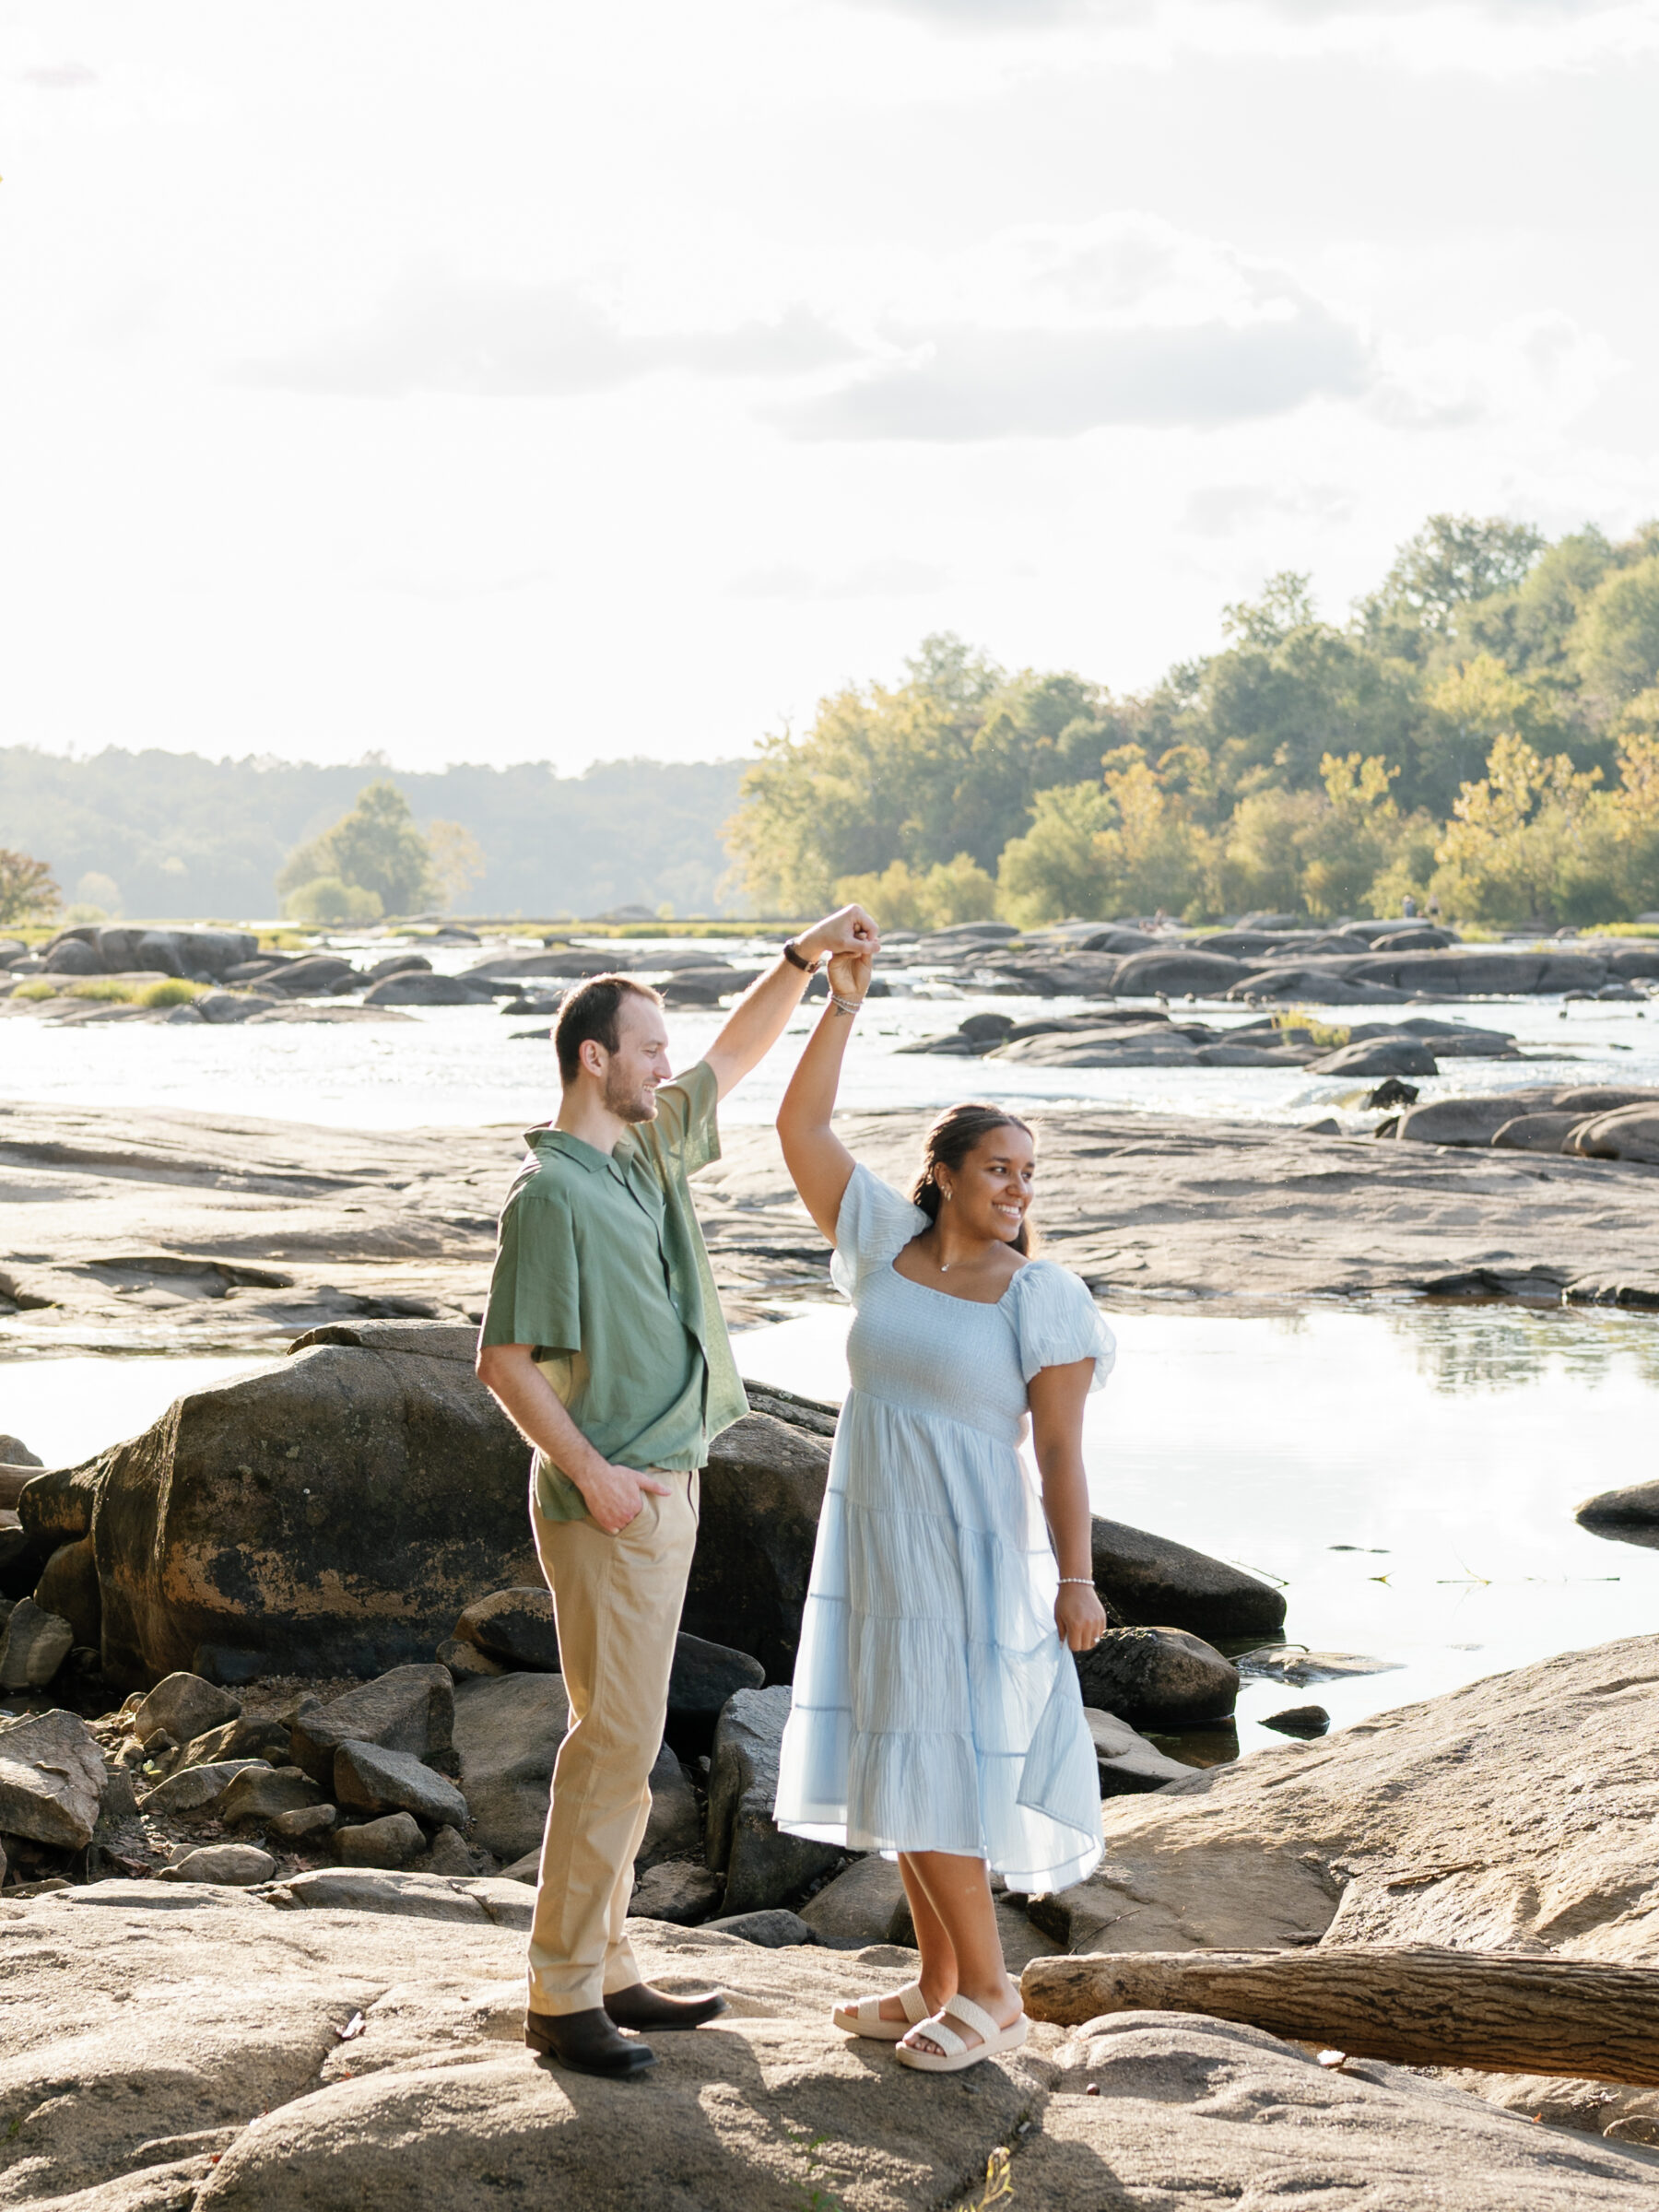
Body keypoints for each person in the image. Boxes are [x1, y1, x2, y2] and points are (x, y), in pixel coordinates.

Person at [476, 906, 877, 2081]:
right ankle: (560, 1995)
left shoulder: (643, 1153)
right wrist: (594, 1478)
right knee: (614, 1746)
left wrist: (807, 964)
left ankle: (605, 1968)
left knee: (628, 1736)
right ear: (595, 1059)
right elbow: (504, 1366)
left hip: (665, 1492)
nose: (668, 1063)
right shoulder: (549, 1197)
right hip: (616, 1506)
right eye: (648, 1048)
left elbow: (739, 1060)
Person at [772, 941, 1113, 2075]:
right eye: (1000, 1169)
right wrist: (841, 1003)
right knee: (895, 1750)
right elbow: (801, 1132)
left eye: (1029, 1172)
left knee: (940, 1758)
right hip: (871, 1530)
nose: (1019, 1188)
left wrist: (1077, 1578)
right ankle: (937, 1980)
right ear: (949, 1176)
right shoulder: (884, 1244)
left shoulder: (1042, 1296)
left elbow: (1061, 1454)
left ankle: (997, 1994)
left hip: (964, 1547)